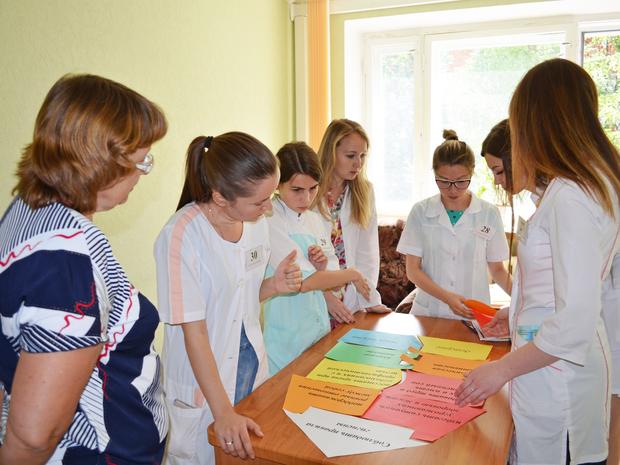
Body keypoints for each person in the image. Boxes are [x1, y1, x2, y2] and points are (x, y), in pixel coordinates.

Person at [455, 58, 620, 465]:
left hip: (561, 383)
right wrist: (515, 312)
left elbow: (575, 319)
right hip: (549, 371)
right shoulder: (573, 189)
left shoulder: (572, 197)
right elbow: (557, 286)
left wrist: (500, 371)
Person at [0, 74, 168, 465]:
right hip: (99, 452)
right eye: (142, 162)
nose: (143, 174)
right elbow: (35, 436)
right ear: (102, 162)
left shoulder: (27, 209)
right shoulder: (66, 261)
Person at [154, 133, 302, 465]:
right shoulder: (181, 235)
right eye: (260, 202)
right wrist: (222, 412)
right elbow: (195, 331)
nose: (269, 209)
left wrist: (272, 286)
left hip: (250, 369)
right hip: (204, 385)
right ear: (220, 197)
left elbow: (238, 300)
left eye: (271, 197)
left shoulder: (254, 223)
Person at [263, 142, 371, 375]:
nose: (307, 198)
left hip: (317, 329)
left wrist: (321, 267)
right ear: (278, 184)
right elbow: (302, 282)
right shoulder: (269, 218)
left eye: (313, 189)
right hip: (285, 336)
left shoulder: (313, 219)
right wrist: (351, 273)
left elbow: (332, 280)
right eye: (297, 190)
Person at [397, 130, 511, 320]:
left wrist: (525, 302)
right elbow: (413, 271)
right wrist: (447, 297)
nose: (452, 190)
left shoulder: (488, 214)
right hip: (429, 313)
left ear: (472, 173)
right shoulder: (421, 212)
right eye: (443, 181)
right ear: (434, 173)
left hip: (473, 313)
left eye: (461, 181)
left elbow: (498, 270)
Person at [314, 119, 391, 324]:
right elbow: (301, 255)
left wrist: (369, 298)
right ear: (331, 153)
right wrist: (325, 297)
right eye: (350, 156)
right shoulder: (308, 192)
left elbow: (367, 253)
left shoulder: (364, 192)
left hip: (351, 299)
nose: (358, 163)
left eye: (363, 156)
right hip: (314, 296)